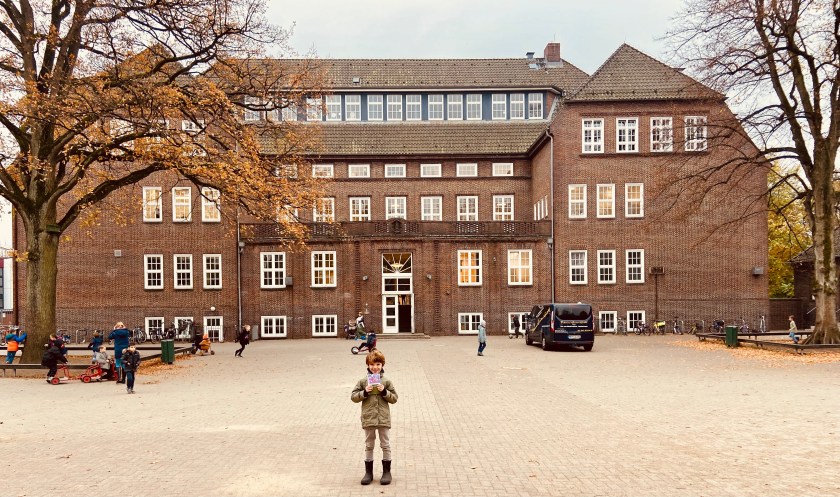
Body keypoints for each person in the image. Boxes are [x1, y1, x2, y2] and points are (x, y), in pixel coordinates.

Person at [351, 349, 398, 486]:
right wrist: (364, 392)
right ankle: (368, 473)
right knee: (369, 445)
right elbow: (353, 397)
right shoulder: (362, 381)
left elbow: (394, 398)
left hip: (383, 418)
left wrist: (385, 391)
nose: (375, 367)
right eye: (372, 364)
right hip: (369, 418)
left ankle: (387, 472)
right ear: (368, 365)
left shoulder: (386, 381)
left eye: (378, 364)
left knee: (385, 445)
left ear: (382, 365)